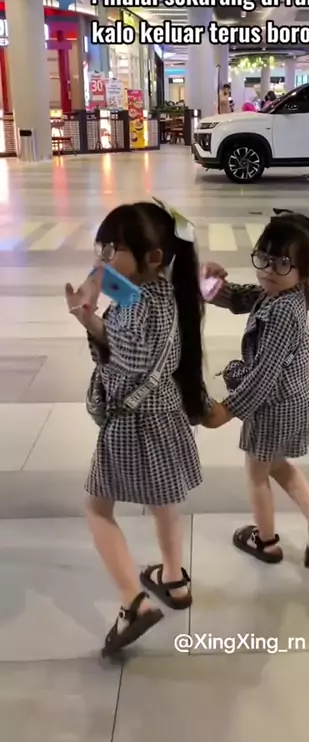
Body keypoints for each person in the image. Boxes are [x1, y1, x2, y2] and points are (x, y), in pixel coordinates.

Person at [64, 200, 220, 657]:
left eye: (112, 249)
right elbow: (112, 284)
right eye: (101, 246)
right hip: (164, 414)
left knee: (97, 509)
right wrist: (94, 289)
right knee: (163, 500)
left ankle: (134, 602)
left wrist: (90, 322)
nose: (102, 258)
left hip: (132, 423)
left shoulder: (137, 305)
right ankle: (173, 579)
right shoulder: (163, 291)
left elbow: (128, 361)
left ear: (152, 257)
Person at [202, 211, 309, 567]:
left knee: (256, 474)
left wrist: (228, 409)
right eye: (263, 257)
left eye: (281, 263)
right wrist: (209, 285)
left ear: (304, 272)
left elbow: (264, 374)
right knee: (278, 465)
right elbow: (238, 297)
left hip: (273, 407)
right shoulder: (283, 295)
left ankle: (265, 541)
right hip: (293, 401)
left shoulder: (283, 312)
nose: (268, 269)